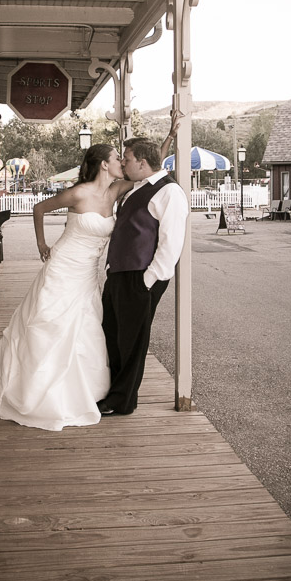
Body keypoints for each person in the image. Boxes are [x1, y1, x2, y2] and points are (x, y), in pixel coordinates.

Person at [0, 121, 178, 431]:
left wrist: (169, 136)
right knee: (48, 325)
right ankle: (35, 389)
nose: (123, 162)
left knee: (85, 329)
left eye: (125, 158)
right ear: (104, 164)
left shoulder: (117, 190)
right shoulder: (78, 193)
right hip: (63, 266)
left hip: (88, 273)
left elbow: (150, 169)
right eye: (117, 158)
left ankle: (83, 390)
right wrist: (41, 244)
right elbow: (39, 208)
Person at [97, 135, 189, 417]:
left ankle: (122, 401)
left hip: (140, 277)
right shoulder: (137, 187)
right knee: (112, 335)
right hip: (119, 275)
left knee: (132, 342)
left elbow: (170, 244)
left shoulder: (169, 192)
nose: (123, 163)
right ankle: (112, 392)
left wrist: (147, 280)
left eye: (126, 159)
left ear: (142, 162)